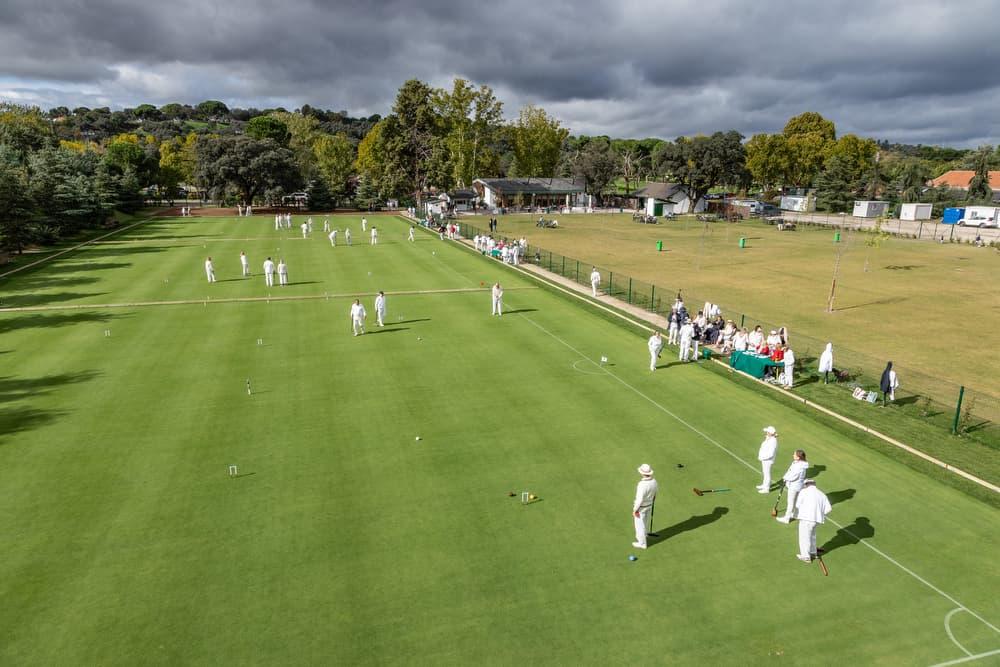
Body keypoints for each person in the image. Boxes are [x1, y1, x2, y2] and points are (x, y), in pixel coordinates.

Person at [793, 479, 831, 563]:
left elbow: (797, 505)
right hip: (816, 520)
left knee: (804, 537)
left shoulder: (803, 491)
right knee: (812, 535)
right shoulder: (822, 494)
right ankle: (813, 552)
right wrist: (819, 513)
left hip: (805, 518)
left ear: (806, 484)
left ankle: (806, 557)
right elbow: (828, 509)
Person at [776, 449, 809, 523]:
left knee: (790, 502)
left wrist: (785, 478)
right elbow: (790, 471)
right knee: (794, 502)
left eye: (794, 454)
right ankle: (794, 514)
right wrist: (786, 477)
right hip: (797, 485)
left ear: (798, 457)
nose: (793, 455)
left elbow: (794, 476)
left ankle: (786, 518)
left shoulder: (799, 466)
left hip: (794, 486)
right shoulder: (798, 463)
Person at [632, 464, 658, 550]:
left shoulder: (642, 484)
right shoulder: (654, 481)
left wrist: (635, 510)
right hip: (649, 505)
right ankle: (645, 534)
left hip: (641, 507)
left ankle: (642, 543)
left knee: (639, 525)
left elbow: (639, 500)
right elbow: (655, 493)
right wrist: (652, 499)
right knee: (645, 521)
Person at [757, 426, 778, 493]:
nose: (766, 432)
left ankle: (766, 489)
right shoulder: (769, 438)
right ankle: (764, 485)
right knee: (765, 472)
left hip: (768, 460)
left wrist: (762, 457)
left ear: (770, 433)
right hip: (765, 459)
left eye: (767, 432)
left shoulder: (773, 441)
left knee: (767, 473)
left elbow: (771, 453)